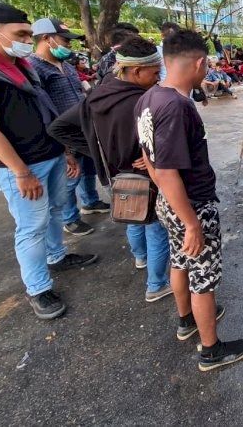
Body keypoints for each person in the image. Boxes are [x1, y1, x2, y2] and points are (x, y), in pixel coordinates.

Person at [135, 29, 243, 371]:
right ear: (200, 63)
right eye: (208, 64)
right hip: (192, 205)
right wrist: (190, 222)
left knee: (180, 262)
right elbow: (169, 169)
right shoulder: (175, 106)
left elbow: (148, 155)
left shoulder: (149, 97)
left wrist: (169, 204)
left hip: (168, 202)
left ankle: (187, 321)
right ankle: (211, 350)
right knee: (204, 277)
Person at [0, 3, 98, 319]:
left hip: (51, 153)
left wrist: (65, 151)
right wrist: (20, 171)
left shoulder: (22, 66)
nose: (28, 40)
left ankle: (57, 255)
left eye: (29, 34)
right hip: (23, 166)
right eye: (22, 34)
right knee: (31, 227)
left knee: (55, 211)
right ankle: (38, 289)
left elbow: (46, 113)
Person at [47, 35, 172, 303]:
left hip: (113, 175)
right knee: (155, 228)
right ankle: (157, 284)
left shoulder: (97, 95)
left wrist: (96, 149)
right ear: (136, 71)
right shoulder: (145, 101)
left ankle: (140, 257)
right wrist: (150, 156)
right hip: (144, 175)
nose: (157, 76)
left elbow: (58, 127)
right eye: (154, 71)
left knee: (131, 215)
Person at [30, 18, 110, 236]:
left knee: (89, 170)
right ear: (46, 39)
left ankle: (91, 201)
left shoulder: (66, 65)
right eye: (65, 40)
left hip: (83, 127)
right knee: (70, 176)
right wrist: (62, 145)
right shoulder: (34, 68)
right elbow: (42, 108)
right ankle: (70, 218)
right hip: (63, 133)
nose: (69, 45)